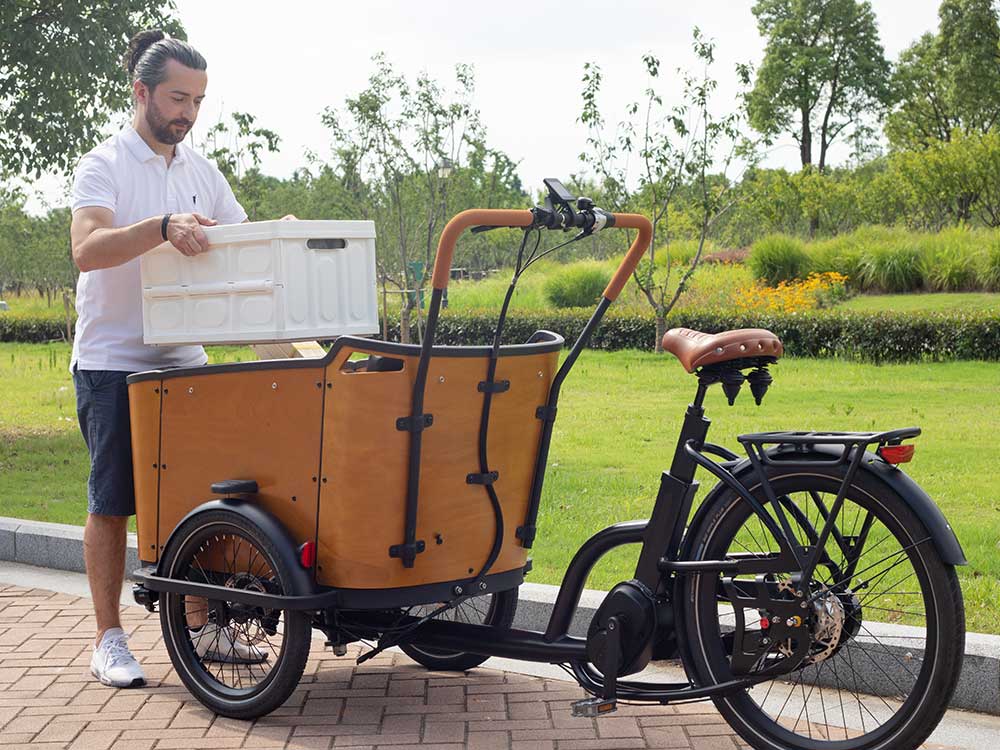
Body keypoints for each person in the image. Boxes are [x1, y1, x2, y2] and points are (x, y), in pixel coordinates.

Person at [69, 29, 271, 688]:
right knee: (113, 501)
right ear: (142, 92)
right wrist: (161, 227)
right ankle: (108, 640)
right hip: (112, 358)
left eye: (198, 100)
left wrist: (277, 237)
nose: (187, 112)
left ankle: (204, 624)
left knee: (205, 497)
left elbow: (241, 245)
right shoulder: (104, 164)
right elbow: (87, 248)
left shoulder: (200, 171)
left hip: (184, 357)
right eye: (177, 97)